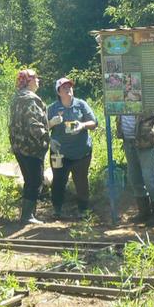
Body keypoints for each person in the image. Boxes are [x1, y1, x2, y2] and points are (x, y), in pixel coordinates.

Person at [47, 78, 98, 219]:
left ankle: (83, 210)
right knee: (58, 180)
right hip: (59, 152)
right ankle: (57, 210)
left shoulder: (81, 105)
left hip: (81, 152)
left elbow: (94, 123)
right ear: (58, 92)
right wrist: (51, 124)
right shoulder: (52, 108)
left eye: (69, 86)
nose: (68, 89)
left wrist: (82, 125)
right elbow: (42, 128)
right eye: (64, 87)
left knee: (81, 181)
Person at [9, 69, 50, 224]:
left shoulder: (16, 98)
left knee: (29, 180)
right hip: (32, 147)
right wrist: (47, 137)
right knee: (36, 181)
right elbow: (34, 124)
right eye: (36, 78)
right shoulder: (31, 99)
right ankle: (28, 216)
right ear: (29, 81)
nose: (38, 80)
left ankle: (28, 214)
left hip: (19, 146)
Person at [116, 114, 154, 226]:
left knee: (150, 178)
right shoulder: (121, 96)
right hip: (128, 140)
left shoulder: (146, 95)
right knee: (134, 177)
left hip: (145, 139)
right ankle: (144, 212)